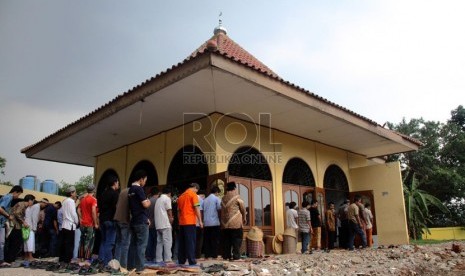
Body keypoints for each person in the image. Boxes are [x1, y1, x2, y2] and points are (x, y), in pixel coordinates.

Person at [127, 170, 151, 273]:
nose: (145, 182)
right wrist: (149, 201)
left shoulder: (130, 190)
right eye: (145, 180)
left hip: (134, 221)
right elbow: (145, 204)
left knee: (133, 245)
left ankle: (131, 266)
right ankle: (140, 268)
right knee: (142, 245)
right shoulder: (139, 189)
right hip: (141, 221)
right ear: (141, 179)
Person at [177, 183, 203, 266]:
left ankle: (181, 260)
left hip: (182, 222)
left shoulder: (181, 196)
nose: (196, 191)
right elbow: (196, 208)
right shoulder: (193, 194)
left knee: (182, 242)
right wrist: (200, 221)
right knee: (191, 242)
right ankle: (191, 260)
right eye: (197, 190)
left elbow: (178, 211)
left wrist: (179, 221)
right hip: (190, 222)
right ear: (195, 188)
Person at [5, 194, 35, 263]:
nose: (33, 203)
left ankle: (10, 259)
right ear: (30, 200)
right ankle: (10, 259)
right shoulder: (22, 204)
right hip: (15, 225)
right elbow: (17, 213)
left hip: (16, 225)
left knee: (14, 243)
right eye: (33, 201)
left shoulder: (23, 205)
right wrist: (23, 222)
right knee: (15, 243)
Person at [221, 182, 246, 261]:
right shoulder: (237, 197)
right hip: (235, 223)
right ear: (235, 188)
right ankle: (236, 257)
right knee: (237, 240)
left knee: (226, 241)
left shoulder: (223, 198)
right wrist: (244, 218)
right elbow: (243, 209)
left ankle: (226, 256)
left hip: (224, 224)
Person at [98, 176, 119, 265]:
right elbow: (116, 207)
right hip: (111, 220)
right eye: (117, 182)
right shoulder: (114, 194)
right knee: (110, 243)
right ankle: (109, 263)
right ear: (114, 183)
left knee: (103, 241)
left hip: (102, 220)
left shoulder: (103, 193)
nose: (118, 184)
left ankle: (101, 260)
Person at [0, 185, 23, 266]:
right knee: (1, 243)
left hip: (2, 223)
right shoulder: (9, 197)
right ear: (15, 192)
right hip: (1, 222)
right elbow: (0, 208)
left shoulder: (6, 196)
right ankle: (1, 261)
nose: (18, 197)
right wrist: (8, 216)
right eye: (19, 194)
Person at [78, 184, 99, 261]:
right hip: (90, 224)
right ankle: (87, 259)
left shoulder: (82, 199)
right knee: (90, 241)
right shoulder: (93, 199)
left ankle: (81, 257)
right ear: (94, 190)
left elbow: (78, 210)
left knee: (82, 240)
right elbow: (93, 211)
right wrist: (96, 223)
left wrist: (81, 218)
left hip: (83, 223)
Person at [59, 186, 79, 264]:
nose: (75, 193)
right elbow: (73, 213)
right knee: (69, 244)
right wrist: (77, 221)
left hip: (64, 224)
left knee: (64, 243)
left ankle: (62, 259)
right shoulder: (71, 201)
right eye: (75, 192)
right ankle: (67, 260)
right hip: (70, 224)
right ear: (71, 193)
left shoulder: (64, 201)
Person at [154, 186, 174, 264]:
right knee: (168, 241)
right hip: (165, 223)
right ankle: (168, 259)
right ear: (169, 193)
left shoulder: (158, 199)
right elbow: (169, 210)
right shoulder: (167, 198)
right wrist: (171, 218)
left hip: (158, 224)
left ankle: (158, 259)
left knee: (159, 242)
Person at [202, 186, 221, 260]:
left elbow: (203, 210)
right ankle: (214, 255)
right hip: (214, 222)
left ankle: (207, 255)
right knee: (214, 240)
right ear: (216, 192)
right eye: (218, 193)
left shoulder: (205, 200)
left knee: (207, 240)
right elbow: (219, 208)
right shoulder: (216, 199)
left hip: (206, 223)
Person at [114, 185, 131, 269]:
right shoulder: (132, 191)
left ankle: (117, 265)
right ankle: (123, 266)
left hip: (117, 218)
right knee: (125, 244)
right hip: (125, 219)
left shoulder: (123, 191)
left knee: (119, 243)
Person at [146, 186, 160, 262]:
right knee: (156, 242)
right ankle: (154, 256)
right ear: (158, 193)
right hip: (157, 224)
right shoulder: (158, 201)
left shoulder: (148, 201)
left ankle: (148, 257)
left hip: (149, 224)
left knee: (149, 241)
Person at [195, 189, 205, 259]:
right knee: (199, 240)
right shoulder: (199, 199)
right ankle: (197, 255)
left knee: (192, 240)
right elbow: (201, 211)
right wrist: (201, 221)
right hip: (198, 223)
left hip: (190, 222)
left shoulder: (187, 197)